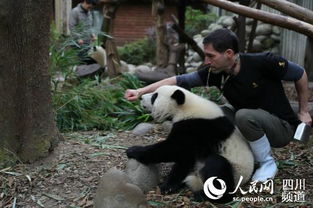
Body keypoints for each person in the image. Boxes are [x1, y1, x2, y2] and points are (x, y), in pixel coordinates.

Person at [124, 28, 312, 182]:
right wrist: (141, 92)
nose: (206, 61)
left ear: (228, 54)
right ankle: (220, 157)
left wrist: (303, 111)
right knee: (216, 115)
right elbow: (178, 80)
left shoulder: (263, 61)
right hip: (251, 124)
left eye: (210, 56)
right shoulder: (216, 72)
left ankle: (266, 162)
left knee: (244, 115)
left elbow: (300, 73)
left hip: (282, 127)